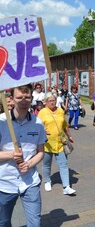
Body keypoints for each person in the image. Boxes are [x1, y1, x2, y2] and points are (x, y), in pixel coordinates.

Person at [0, 84, 47, 226]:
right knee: (3, 222)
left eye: (27, 97)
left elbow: (41, 152)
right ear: (12, 99)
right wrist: (10, 155)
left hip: (30, 182)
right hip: (5, 183)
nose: (23, 101)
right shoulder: (1, 122)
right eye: (19, 97)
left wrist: (29, 164)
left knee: (35, 223)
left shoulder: (38, 123)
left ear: (32, 99)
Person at [38, 92, 76, 195]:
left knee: (63, 164)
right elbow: (37, 127)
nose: (52, 102)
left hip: (60, 143)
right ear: (45, 102)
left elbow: (65, 125)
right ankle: (47, 181)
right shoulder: (42, 112)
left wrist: (70, 136)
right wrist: (42, 131)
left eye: (53, 100)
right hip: (47, 144)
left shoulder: (60, 111)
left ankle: (66, 187)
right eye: (50, 101)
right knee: (46, 164)